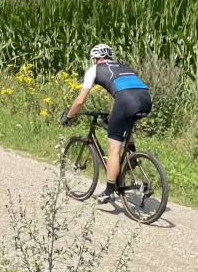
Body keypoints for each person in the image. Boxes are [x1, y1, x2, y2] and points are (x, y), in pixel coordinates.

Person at [60, 44, 151, 203]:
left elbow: (80, 101)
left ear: (95, 58)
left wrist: (68, 116)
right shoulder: (124, 66)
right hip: (145, 100)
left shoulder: (94, 69)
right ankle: (132, 156)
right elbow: (127, 89)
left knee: (113, 147)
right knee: (125, 128)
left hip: (126, 101)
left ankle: (109, 191)